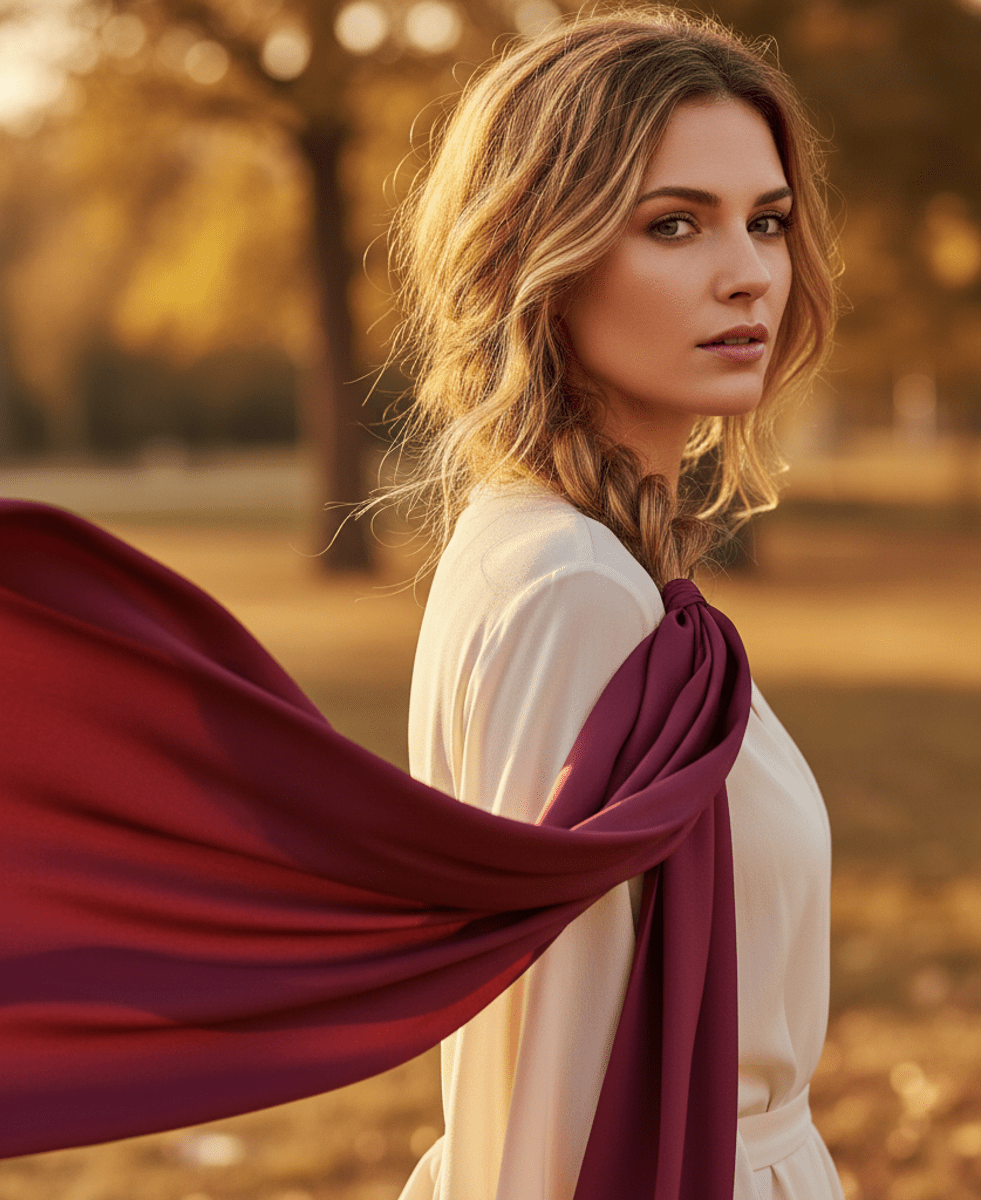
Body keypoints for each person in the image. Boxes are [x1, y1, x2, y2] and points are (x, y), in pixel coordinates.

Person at [385, 10, 843, 1200]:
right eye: (674, 224)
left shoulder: (590, 564)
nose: (749, 271)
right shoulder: (570, 592)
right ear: (540, 252)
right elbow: (544, 1075)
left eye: (769, 221)